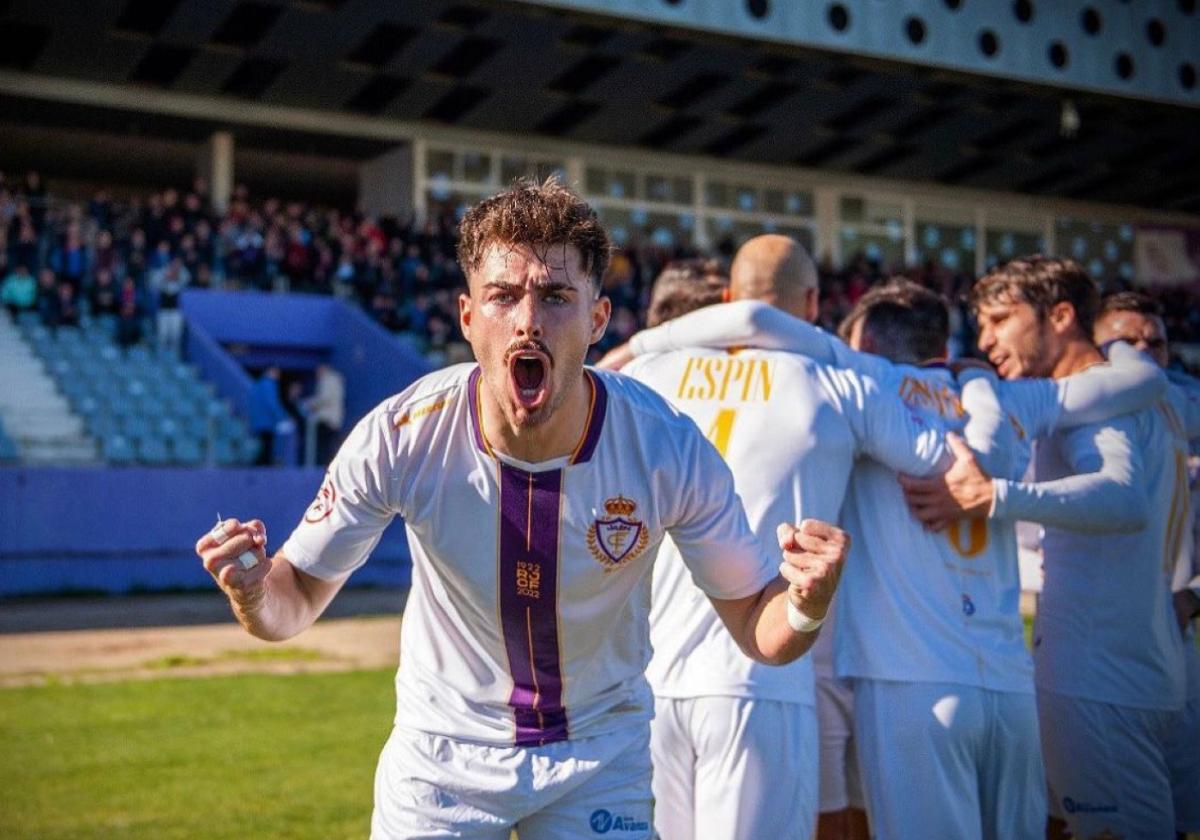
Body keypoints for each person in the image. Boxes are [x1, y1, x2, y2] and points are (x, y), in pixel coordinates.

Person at [194, 179, 851, 840]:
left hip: (601, 755)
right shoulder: (402, 435)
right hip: (442, 758)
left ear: (598, 321)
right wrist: (253, 590)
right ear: (468, 317)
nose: (528, 320)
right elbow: (295, 597)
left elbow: (754, 625)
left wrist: (804, 603)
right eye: (503, 296)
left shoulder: (665, 447)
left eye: (557, 296)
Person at [617, 276, 1167, 839]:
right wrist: (979, 376)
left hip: (911, 687)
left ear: (869, 344)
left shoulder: (866, 385)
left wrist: (636, 346)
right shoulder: (1006, 396)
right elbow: (1141, 382)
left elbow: (761, 319)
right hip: (1008, 686)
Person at [615, 243, 950, 840]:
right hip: (762, 676)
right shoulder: (837, 379)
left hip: (650, 683)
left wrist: (646, 341)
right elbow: (935, 453)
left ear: (724, 300)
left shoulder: (650, 374)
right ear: (815, 303)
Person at [899, 257, 1198, 839]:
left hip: (1097, 681)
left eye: (1000, 319)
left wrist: (995, 495)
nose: (986, 340)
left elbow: (1122, 497)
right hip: (1151, 671)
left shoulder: (1088, 403)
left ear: (1060, 316)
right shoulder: (1141, 391)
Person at [1094, 290, 1200, 839]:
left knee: (1178, 809)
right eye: (1126, 341)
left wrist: (1194, 594)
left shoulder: (1184, 409)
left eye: (1153, 343)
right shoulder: (1073, 415)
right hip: (1094, 649)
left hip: (1174, 638)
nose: (1142, 352)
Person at [303, 363, 345, 465]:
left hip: (326, 419)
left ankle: (324, 464)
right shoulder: (336, 380)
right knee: (331, 444)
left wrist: (310, 403)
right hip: (334, 419)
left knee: (325, 446)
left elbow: (325, 399)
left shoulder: (327, 381)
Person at [247, 366, 288, 466]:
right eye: (277, 373)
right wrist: (283, 417)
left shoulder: (257, 384)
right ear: (271, 371)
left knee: (262, 446)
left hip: (257, 421)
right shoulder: (269, 385)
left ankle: (260, 465)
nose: (278, 376)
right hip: (266, 422)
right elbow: (272, 403)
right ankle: (262, 467)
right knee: (267, 447)